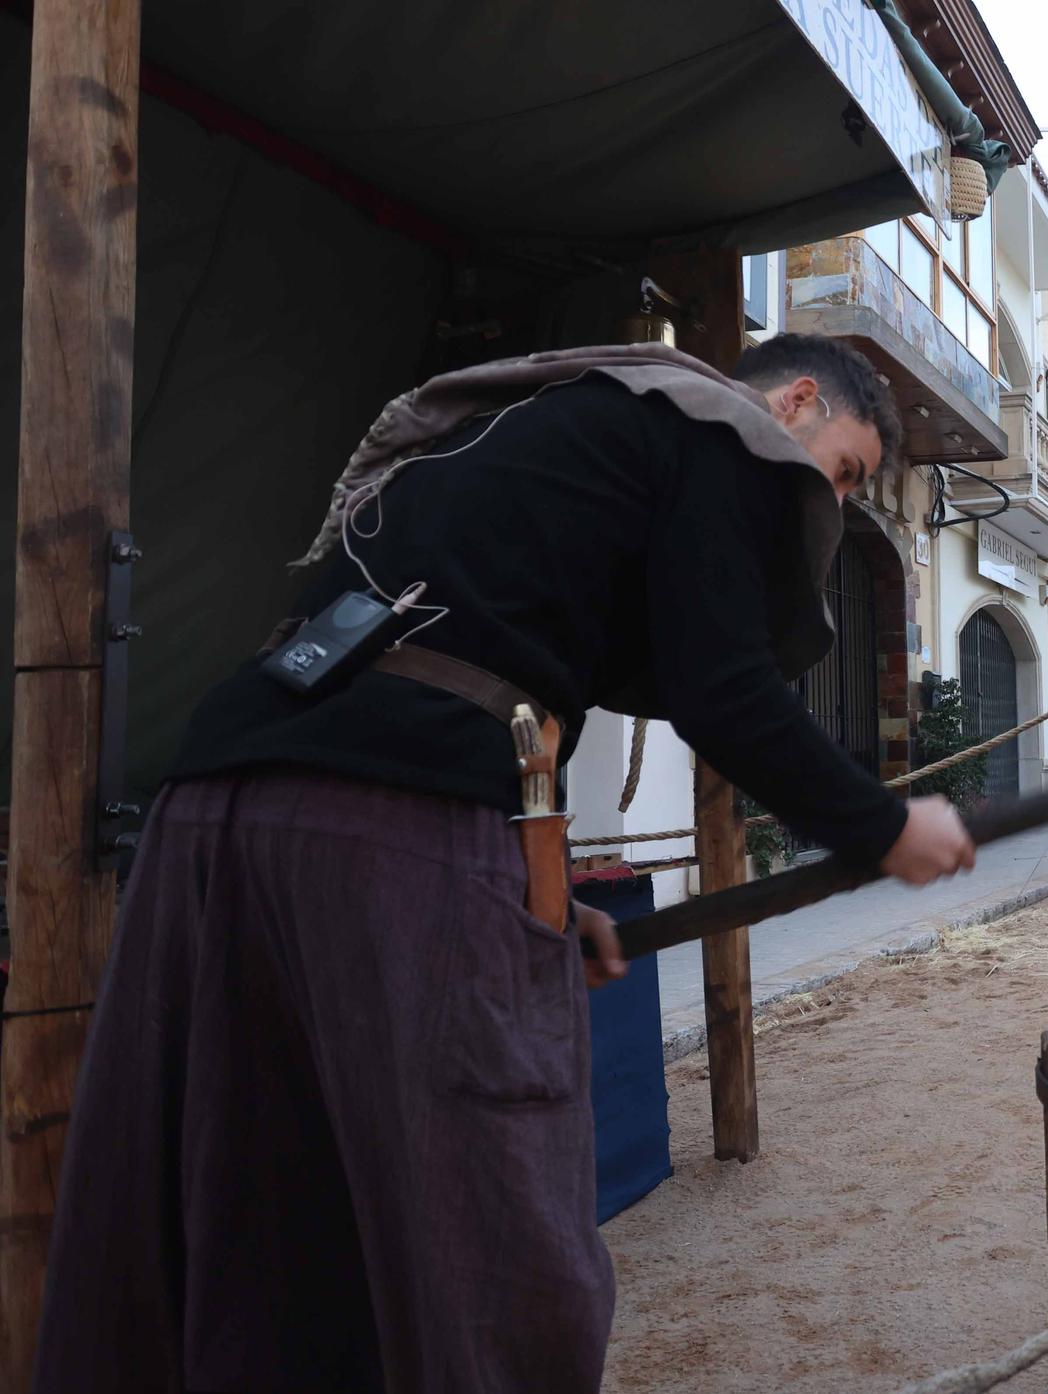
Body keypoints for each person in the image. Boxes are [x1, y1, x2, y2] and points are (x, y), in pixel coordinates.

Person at [34, 334, 976, 1393]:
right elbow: (728, 690)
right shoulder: (720, 430)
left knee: (255, 1213)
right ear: (797, 399)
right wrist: (879, 825)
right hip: (390, 828)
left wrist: (531, 891)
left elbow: (504, 653)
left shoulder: (532, 423)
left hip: (210, 812)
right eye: (842, 470)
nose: (833, 506)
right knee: (490, 1246)